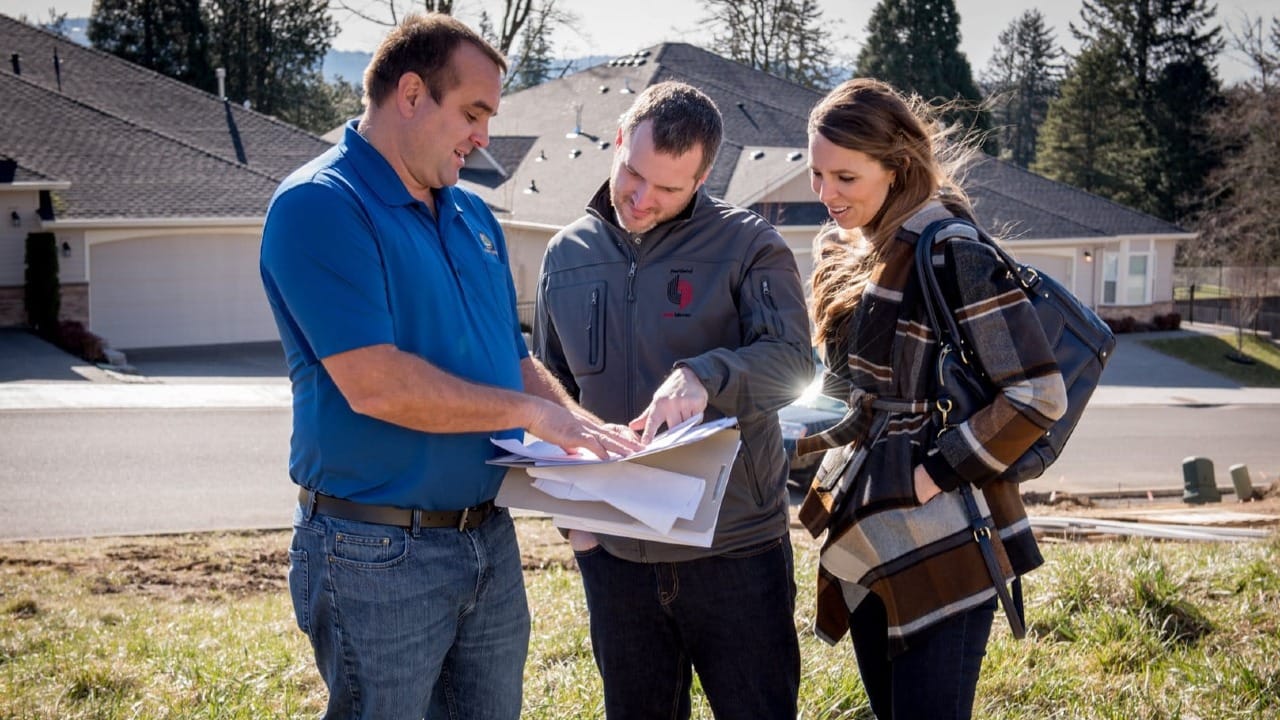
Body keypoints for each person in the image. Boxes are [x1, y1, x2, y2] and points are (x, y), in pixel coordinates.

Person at [259, 14, 641, 720]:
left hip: (485, 541)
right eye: (472, 112)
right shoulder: (320, 206)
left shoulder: (473, 216)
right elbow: (375, 383)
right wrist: (534, 416)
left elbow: (513, 360)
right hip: (373, 551)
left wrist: (593, 437)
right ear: (410, 94)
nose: (484, 136)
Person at [533, 81, 815, 719]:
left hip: (735, 554)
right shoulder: (564, 255)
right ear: (618, 142)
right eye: (632, 173)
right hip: (615, 558)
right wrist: (573, 523)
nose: (640, 198)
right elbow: (551, 386)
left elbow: (795, 364)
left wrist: (704, 375)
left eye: (667, 189)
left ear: (704, 176)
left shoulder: (750, 246)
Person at [802, 78, 1068, 719]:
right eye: (815, 174)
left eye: (845, 177)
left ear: (895, 169)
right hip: (868, 528)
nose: (826, 194)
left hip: (941, 534)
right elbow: (845, 395)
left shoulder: (950, 249)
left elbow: (1038, 393)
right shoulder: (852, 251)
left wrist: (936, 472)